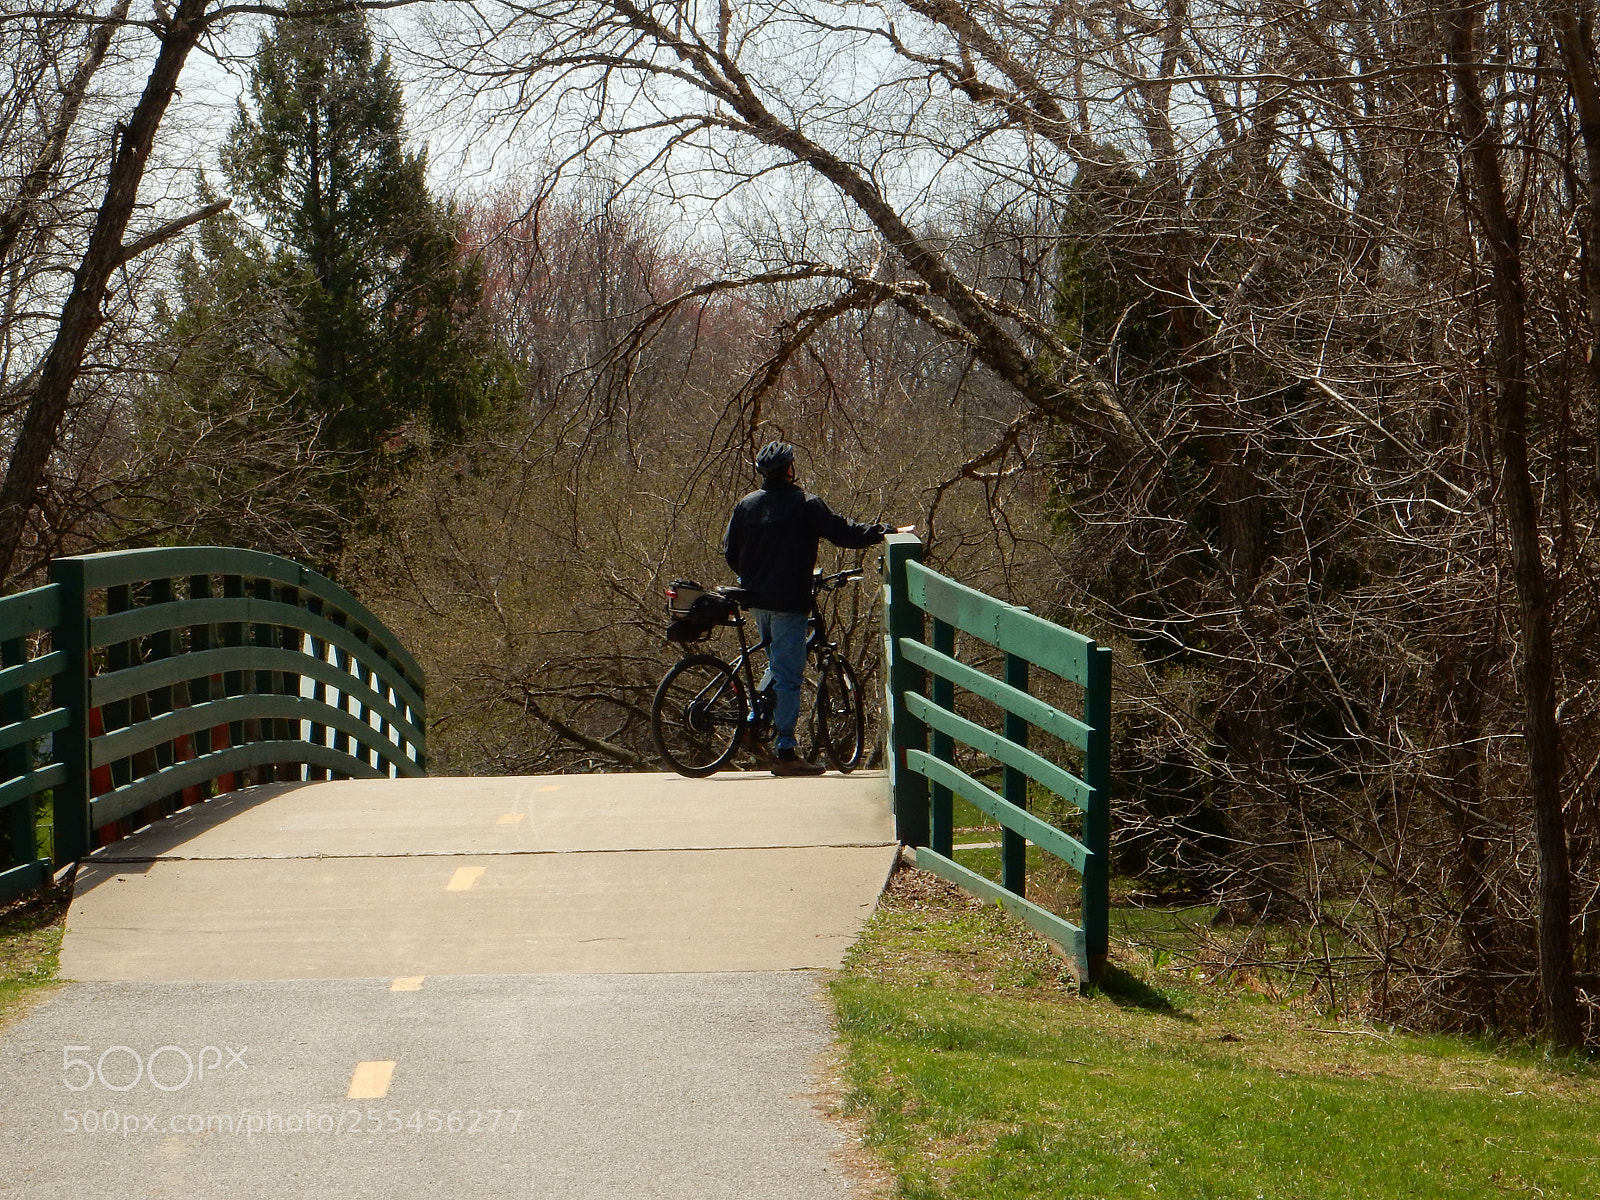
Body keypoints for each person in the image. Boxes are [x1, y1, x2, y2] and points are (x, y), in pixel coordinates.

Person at [724, 440, 911, 776]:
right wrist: (886, 531)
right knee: (789, 677)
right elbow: (844, 533)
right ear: (789, 470)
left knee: (776, 662)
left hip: (756, 599)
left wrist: (753, 577)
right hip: (789, 601)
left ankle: (755, 720)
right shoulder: (805, 504)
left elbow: (729, 552)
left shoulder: (746, 506)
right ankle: (785, 751)